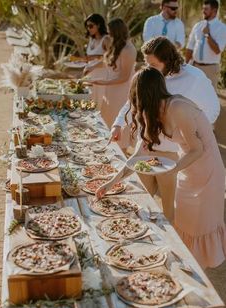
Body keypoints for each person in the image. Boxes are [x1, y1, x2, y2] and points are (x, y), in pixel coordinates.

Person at [97, 67, 226, 269]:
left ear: (146, 93)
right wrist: (110, 183)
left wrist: (172, 170)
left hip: (207, 171)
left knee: (199, 227)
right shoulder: (154, 111)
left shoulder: (178, 107)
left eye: (136, 95)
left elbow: (198, 149)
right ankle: (185, 267)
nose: (135, 102)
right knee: (183, 224)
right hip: (186, 168)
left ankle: (197, 274)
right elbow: (137, 156)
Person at [109, 37, 220, 221]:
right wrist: (118, 124)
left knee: (170, 209)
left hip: (175, 153)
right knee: (142, 200)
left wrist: (189, 132)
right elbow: (134, 101)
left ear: (167, 61)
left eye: (153, 64)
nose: (148, 68)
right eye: (146, 63)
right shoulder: (149, 75)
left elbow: (213, 109)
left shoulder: (194, 78)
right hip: (145, 144)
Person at [84, 18, 136, 129]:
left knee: (117, 124)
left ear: (116, 31)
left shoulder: (128, 49)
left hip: (121, 92)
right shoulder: (116, 45)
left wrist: (103, 82)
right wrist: (92, 66)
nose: (108, 34)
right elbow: (107, 61)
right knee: (106, 122)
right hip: (110, 90)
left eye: (110, 31)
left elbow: (125, 77)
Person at [185, 0, 226, 90]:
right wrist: (185, 64)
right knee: (194, 95)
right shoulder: (197, 26)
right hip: (195, 67)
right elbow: (190, 46)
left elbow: (217, 50)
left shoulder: (222, 28)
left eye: (206, 9)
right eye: (203, 9)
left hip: (210, 69)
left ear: (214, 11)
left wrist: (207, 35)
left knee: (209, 97)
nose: (203, 11)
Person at [84, 14, 110, 108]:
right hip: (90, 75)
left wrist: (92, 67)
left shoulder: (106, 39)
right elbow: (91, 57)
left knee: (99, 104)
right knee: (89, 103)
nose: (88, 29)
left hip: (102, 76)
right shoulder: (91, 39)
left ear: (98, 25)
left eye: (91, 26)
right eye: (87, 26)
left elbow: (110, 59)